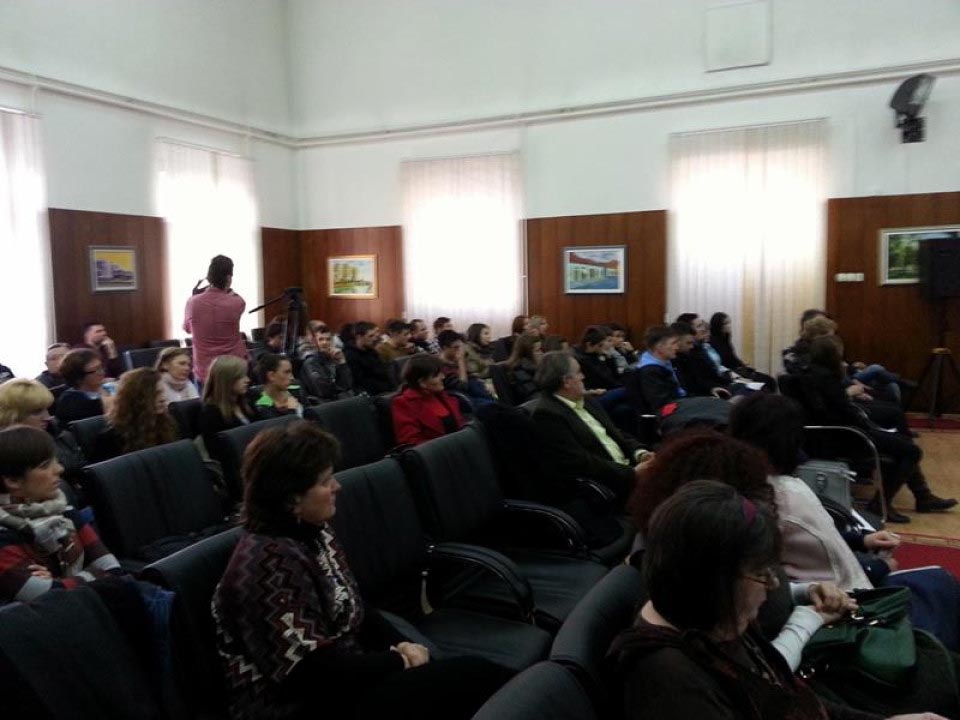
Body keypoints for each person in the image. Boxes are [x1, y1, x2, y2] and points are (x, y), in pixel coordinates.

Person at [211, 421, 510, 720]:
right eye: (325, 481)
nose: (337, 487)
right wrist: (397, 661)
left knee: (474, 680)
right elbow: (309, 674)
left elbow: (354, 606)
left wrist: (402, 644)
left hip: (345, 677)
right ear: (292, 498)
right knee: (474, 678)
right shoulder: (265, 567)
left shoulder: (314, 531)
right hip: (302, 705)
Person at [609, 480, 945, 720]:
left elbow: (789, 696)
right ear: (714, 580)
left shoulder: (710, 619)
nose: (772, 586)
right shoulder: (670, 680)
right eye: (761, 574)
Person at [801, 335, 954, 522]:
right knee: (911, 451)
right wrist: (872, 426)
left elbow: (841, 411)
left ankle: (922, 496)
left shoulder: (812, 375)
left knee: (903, 444)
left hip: (834, 434)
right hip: (846, 437)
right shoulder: (828, 380)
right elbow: (845, 413)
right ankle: (882, 504)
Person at [0, 425, 122, 604]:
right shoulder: (3, 535)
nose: (59, 469)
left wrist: (58, 582)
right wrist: (94, 575)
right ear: (12, 481)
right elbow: (42, 596)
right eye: (45, 465)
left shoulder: (61, 508)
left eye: (55, 461)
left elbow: (113, 568)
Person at [529, 351, 651, 503]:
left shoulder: (586, 400)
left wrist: (639, 452)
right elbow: (581, 463)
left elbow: (614, 432)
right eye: (578, 372)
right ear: (566, 382)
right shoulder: (547, 415)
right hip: (608, 484)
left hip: (628, 468)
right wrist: (631, 473)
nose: (583, 376)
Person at [0, 379, 87, 491]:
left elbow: (83, 472)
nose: (47, 417)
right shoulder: (6, 454)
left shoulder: (61, 435)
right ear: (12, 415)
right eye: (37, 412)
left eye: (46, 409)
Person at [90, 368, 178, 463]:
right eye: (156, 393)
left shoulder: (168, 424)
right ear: (137, 398)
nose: (163, 398)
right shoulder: (110, 440)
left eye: (162, 392)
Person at [183, 255, 247, 385]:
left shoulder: (192, 302)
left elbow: (187, 329)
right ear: (229, 277)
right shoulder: (238, 302)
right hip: (233, 369)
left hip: (204, 371)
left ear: (209, 277)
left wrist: (196, 295)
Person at [391, 354, 465, 447]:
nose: (443, 377)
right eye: (436, 375)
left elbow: (460, 424)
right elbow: (411, 441)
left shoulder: (441, 394)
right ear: (422, 382)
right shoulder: (403, 403)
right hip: (438, 452)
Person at [198, 355, 255, 451]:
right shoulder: (210, 413)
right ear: (227, 380)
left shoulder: (247, 400)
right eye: (241, 377)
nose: (247, 380)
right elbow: (216, 451)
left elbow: (264, 426)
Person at [708, 312, 777, 390]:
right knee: (766, 383)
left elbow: (733, 357)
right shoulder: (712, 342)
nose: (729, 326)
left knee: (770, 380)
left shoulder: (725, 338)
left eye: (729, 322)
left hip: (737, 370)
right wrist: (737, 371)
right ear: (718, 326)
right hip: (730, 374)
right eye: (726, 323)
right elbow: (721, 363)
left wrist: (743, 365)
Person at [633, 325, 687, 412]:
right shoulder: (650, 371)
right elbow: (662, 403)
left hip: (682, 402)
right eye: (673, 343)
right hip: (672, 411)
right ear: (659, 347)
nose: (677, 347)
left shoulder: (668, 361)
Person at [53, 349, 113, 426]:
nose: (102, 372)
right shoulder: (70, 400)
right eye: (94, 370)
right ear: (78, 378)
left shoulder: (108, 387)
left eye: (101, 367)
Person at [299, 321, 353, 402]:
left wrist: (342, 362)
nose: (325, 343)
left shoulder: (335, 358)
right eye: (321, 339)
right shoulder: (310, 362)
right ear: (314, 343)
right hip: (322, 403)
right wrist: (340, 387)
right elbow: (323, 391)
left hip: (339, 400)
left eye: (328, 339)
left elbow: (348, 384)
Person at [437, 330, 494, 405]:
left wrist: (484, 383)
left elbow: (472, 374)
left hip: (475, 390)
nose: (460, 350)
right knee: (489, 404)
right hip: (463, 398)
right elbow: (463, 387)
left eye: (461, 347)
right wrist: (461, 361)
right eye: (456, 347)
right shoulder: (441, 366)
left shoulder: (455, 358)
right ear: (445, 348)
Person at [344, 321, 394, 396]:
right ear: (359, 337)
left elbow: (382, 371)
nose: (374, 339)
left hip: (384, 389)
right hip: (372, 393)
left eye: (374, 336)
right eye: (370, 336)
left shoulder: (371, 350)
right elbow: (360, 381)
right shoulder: (350, 355)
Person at [254, 353, 303, 420]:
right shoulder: (263, 405)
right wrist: (292, 411)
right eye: (286, 372)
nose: (292, 377)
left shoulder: (295, 387)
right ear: (271, 376)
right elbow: (281, 426)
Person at [503, 333, 544, 405]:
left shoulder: (532, 369)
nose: (542, 353)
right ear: (528, 353)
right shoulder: (520, 372)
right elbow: (534, 396)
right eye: (538, 350)